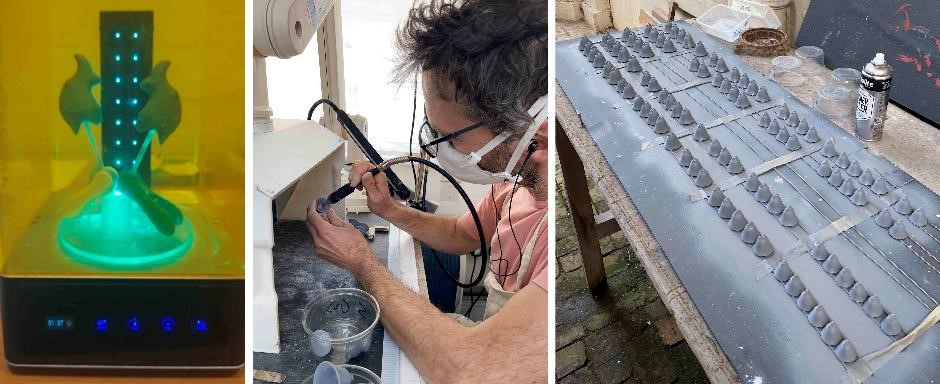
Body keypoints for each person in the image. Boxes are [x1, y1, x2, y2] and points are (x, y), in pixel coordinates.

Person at [305, 1, 548, 382]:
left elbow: (473, 372)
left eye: (450, 137)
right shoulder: (513, 184)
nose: (438, 150)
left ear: (538, 138)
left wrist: (362, 263)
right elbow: (459, 235)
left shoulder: (554, 234)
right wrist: (388, 209)